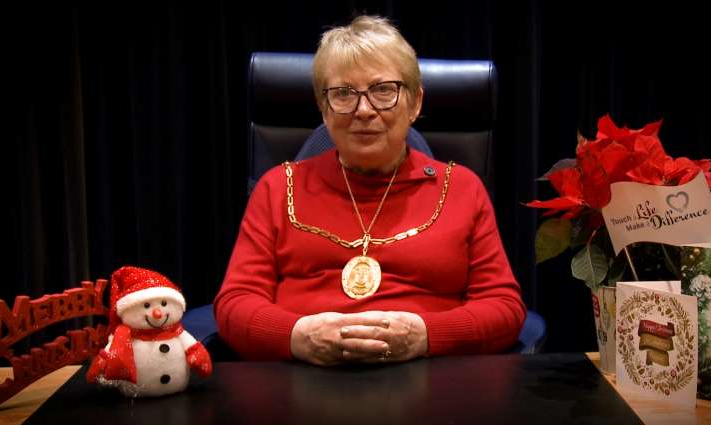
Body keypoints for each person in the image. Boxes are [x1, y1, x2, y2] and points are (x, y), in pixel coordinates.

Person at [214, 15, 526, 366]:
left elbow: (505, 309)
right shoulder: (276, 188)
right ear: (323, 106)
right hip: (300, 378)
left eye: (383, 91)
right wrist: (299, 336)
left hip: (429, 378)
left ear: (415, 103)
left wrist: (425, 335)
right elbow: (234, 305)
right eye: (343, 93)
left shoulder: (462, 188)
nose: (364, 110)